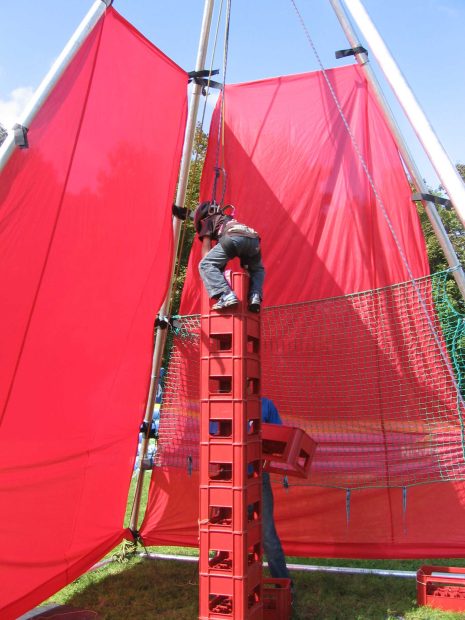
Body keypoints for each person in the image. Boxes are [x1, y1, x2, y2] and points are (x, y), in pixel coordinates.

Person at [194, 201, 265, 312]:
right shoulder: (227, 220)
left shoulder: (208, 220)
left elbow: (206, 254)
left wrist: (207, 273)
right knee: (256, 270)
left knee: (205, 264)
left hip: (234, 237)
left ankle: (226, 295)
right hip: (253, 238)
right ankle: (254, 296)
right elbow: (245, 270)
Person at [261, 397, 291, 581]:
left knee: (267, 534)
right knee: (226, 534)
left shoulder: (266, 405)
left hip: (258, 478)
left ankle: (284, 585)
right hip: (228, 479)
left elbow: (279, 439)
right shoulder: (222, 404)